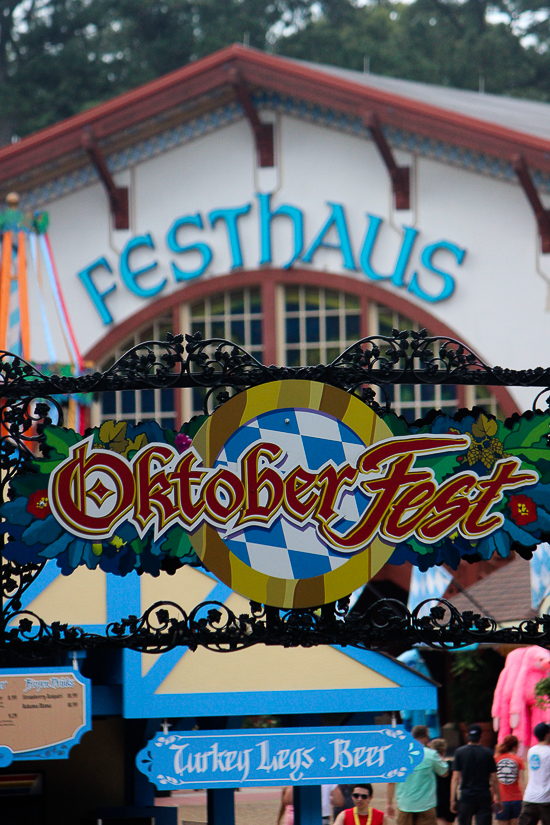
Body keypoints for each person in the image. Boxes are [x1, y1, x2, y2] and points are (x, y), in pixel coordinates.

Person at [387, 724, 448, 825]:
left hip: (405, 804)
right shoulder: (430, 754)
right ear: (425, 737)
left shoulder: (399, 754)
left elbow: (391, 782)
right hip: (426, 805)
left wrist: (389, 803)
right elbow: (444, 773)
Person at [450, 722, 502, 825]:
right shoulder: (487, 753)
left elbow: (455, 778)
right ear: (481, 736)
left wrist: (452, 800)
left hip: (466, 795)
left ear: (467, 735)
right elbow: (493, 779)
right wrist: (498, 798)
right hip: (483, 795)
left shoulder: (459, 752)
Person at [517, 722, 550, 825]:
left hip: (530, 798)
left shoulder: (531, 751)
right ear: (547, 735)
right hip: (546, 800)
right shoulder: (548, 752)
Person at [495, 734, 524, 825]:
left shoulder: (496, 759)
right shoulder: (518, 760)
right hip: (517, 798)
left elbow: (493, 780)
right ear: (514, 747)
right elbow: (522, 781)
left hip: (502, 799)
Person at [429, 738, 455, 825]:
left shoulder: (431, 767)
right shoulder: (451, 765)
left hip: (436, 798)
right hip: (450, 797)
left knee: (439, 820)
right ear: (445, 750)